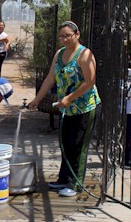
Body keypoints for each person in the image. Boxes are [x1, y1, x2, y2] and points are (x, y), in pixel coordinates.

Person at [28, 20, 101, 197]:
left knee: (78, 145)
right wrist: (36, 100)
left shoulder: (85, 55)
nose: (65, 39)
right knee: (65, 144)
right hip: (66, 109)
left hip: (84, 107)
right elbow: (49, 78)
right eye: (62, 36)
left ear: (77, 34)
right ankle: (63, 179)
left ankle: (74, 183)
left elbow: (89, 82)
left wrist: (70, 98)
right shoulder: (60, 54)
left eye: (68, 35)